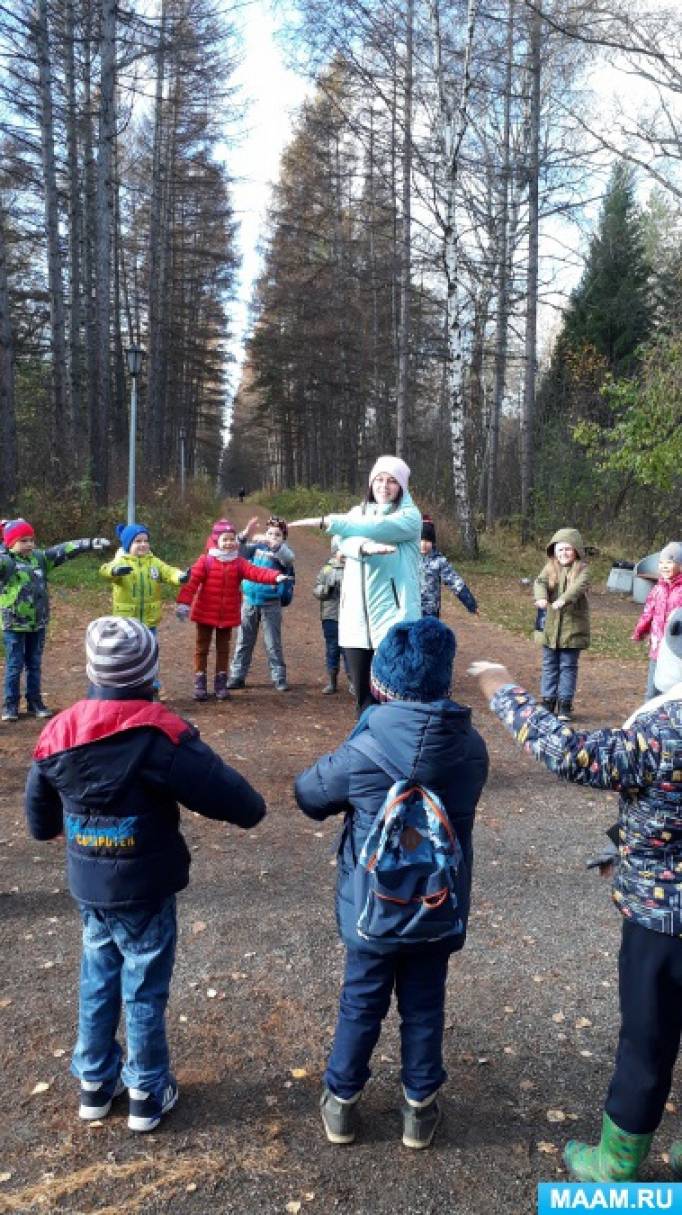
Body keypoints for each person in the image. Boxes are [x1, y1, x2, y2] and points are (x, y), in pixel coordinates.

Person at [25, 616, 266, 1132]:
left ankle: (94, 1083)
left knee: (98, 976)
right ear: (148, 671)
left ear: (94, 670)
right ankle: (146, 1090)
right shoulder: (159, 735)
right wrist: (249, 808)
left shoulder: (58, 731)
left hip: (90, 886)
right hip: (145, 887)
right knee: (143, 986)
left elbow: (39, 820)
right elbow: (234, 798)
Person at [469, 609, 682, 1183]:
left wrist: (502, 688)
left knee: (648, 1038)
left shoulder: (665, 731)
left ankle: (616, 1166)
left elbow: (569, 752)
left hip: (663, 922)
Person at [295, 617, 489, 1149]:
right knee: (425, 1005)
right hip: (438, 905)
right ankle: (419, 1111)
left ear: (380, 684)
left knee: (361, 1001)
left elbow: (309, 794)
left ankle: (341, 1103)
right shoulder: (470, 749)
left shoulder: (363, 750)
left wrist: (360, 734)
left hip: (373, 910)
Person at [288, 456, 421, 712]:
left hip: (394, 620)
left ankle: (392, 750)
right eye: (379, 479)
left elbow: (375, 527)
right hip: (356, 622)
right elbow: (339, 542)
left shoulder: (410, 517)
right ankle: (366, 749)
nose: (384, 486)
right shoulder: (356, 512)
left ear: (402, 486)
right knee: (363, 699)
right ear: (371, 483)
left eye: (392, 481)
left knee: (394, 700)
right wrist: (362, 547)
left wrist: (328, 522)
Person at [1, 518, 110, 722]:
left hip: (38, 623)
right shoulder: (6, 562)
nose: (29, 544)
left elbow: (64, 550)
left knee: (34, 663)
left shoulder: (40, 559)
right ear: (10, 543)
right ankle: (10, 705)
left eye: (31, 540)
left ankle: (34, 702)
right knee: (14, 665)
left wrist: (88, 543)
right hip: (13, 624)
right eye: (23, 540)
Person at [175, 518, 290, 701]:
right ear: (216, 541)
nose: (229, 543)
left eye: (231, 539)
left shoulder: (238, 562)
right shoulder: (206, 561)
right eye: (224, 539)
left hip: (226, 615)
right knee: (201, 649)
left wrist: (275, 577)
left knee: (223, 650)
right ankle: (200, 684)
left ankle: (221, 684)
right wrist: (184, 603)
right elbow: (192, 583)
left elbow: (256, 572)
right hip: (205, 613)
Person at [100, 523, 189, 689]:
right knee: (127, 654)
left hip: (149, 620)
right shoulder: (121, 561)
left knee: (150, 652)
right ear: (128, 544)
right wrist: (115, 572)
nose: (142, 545)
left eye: (145, 541)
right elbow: (105, 570)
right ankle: (126, 684)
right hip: (127, 622)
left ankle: (151, 683)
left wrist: (180, 577)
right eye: (137, 541)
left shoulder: (153, 562)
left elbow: (168, 571)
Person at [227, 516, 295, 692]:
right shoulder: (256, 548)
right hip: (249, 601)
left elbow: (288, 558)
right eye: (270, 533)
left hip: (271, 603)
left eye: (278, 534)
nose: (273, 537)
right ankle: (237, 675)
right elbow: (238, 551)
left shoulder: (283, 553)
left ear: (283, 538)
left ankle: (279, 677)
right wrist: (244, 535)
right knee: (243, 641)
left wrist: (276, 546)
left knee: (273, 642)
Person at [533, 527, 590, 723]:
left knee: (568, 665)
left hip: (571, 629)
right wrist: (541, 597)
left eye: (568, 549)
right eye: (560, 550)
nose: (563, 553)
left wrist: (563, 600)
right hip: (550, 627)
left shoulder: (583, 569)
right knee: (549, 664)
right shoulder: (549, 568)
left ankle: (565, 703)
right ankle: (548, 701)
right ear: (553, 551)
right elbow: (539, 582)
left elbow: (578, 587)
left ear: (576, 551)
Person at [632, 541, 682, 700]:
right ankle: (648, 720)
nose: (664, 566)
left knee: (673, 692)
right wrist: (639, 631)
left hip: (676, 652)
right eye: (661, 562)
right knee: (652, 692)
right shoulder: (657, 589)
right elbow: (648, 613)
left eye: (670, 562)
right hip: (657, 648)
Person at [420, 516, 477, 619]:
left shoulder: (439, 561)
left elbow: (455, 582)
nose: (423, 544)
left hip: (430, 612)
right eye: (420, 540)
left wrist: (470, 602)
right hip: (410, 609)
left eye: (427, 540)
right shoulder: (408, 560)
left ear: (433, 543)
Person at [313, 545, 352, 694]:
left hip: (350, 616)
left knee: (349, 649)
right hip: (331, 616)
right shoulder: (327, 569)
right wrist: (326, 589)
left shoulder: (355, 570)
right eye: (340, 551)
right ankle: (332, 680)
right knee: (332, 647)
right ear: (335, 552)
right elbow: (316, 589)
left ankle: (352, 680)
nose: (343, 555)